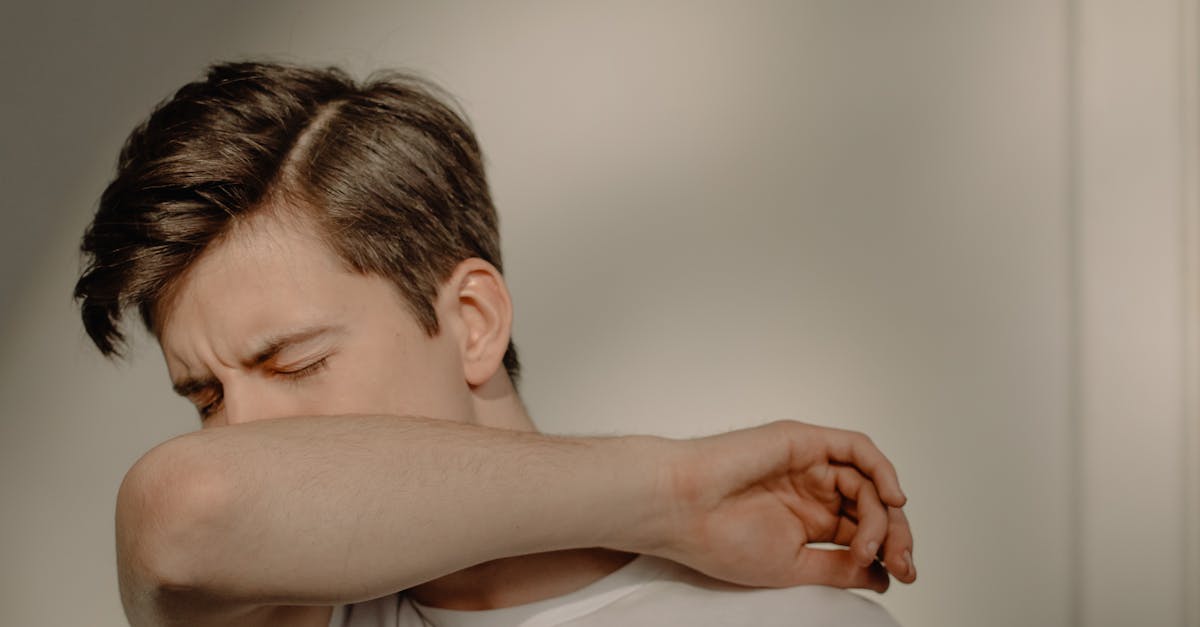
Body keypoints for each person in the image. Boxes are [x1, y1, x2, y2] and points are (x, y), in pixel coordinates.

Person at [74, 61, 917, 627]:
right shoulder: (282, 614)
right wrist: (674, 489)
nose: (237, 435)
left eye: (295, 363)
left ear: (473, 322)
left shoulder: (787, 617)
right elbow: (183, 507)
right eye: (207, 397)